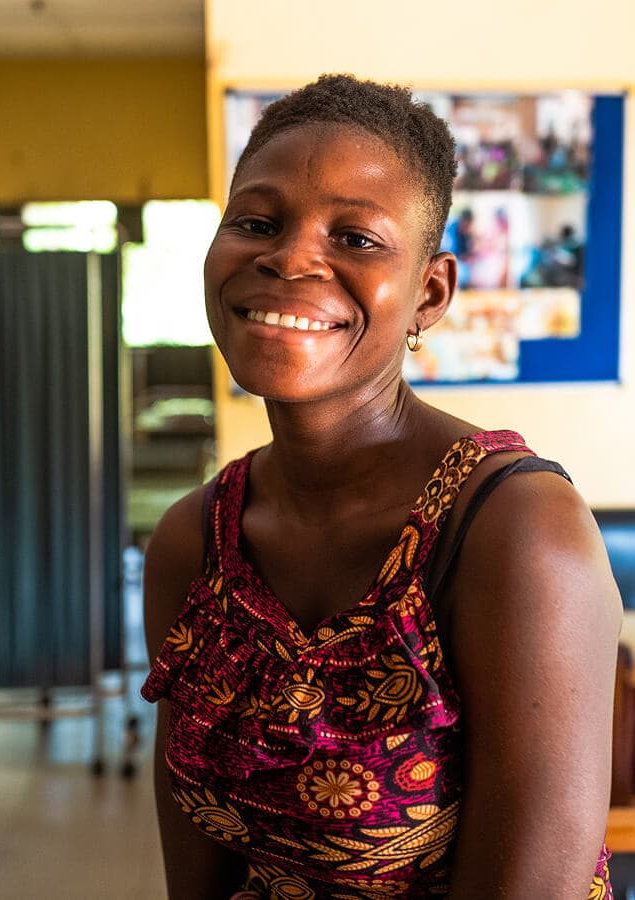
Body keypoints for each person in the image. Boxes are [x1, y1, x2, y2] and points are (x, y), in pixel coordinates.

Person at [141, 75, 622, 899]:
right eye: (256, 222)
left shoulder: (514, 531)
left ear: (430, 293)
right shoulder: (195, 542)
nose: (288, 256)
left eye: (357, 238)